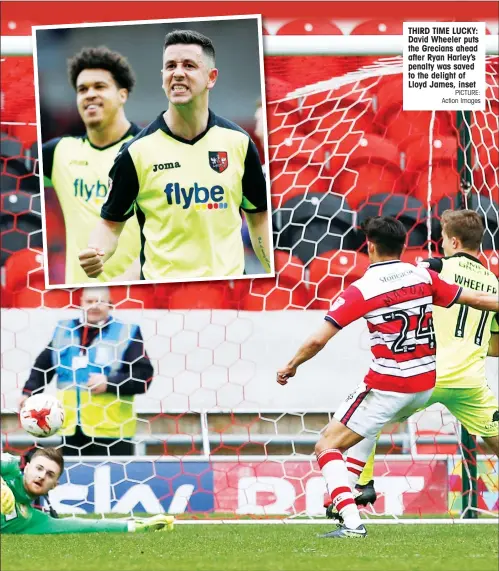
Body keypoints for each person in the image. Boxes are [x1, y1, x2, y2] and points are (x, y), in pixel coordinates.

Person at [276, 216, 499, 539]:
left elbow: (317, 340)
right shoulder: (434, 277)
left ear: (369, 246)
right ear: (404, 246)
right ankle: (353, 492)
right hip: (441, 380)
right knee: (365, 421)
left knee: (335, 439)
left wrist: (291, 365)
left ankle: (354, 509)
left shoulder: (369, 286)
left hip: (398, 379)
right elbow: (482, 314)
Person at [79, 29, 271, 282]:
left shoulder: (239, 143)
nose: (177, 72)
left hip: (230, 295)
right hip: (163, 298)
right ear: (162, 77)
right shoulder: (135, 153)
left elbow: (258, 220)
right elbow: (109, 225)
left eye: (189, 65)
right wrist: (96, 253)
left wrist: (271, 271)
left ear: (211, 77)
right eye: (170, 66)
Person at [346, 209, 499, 513]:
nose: (441, 244)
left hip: (425, 375)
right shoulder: (494, 283)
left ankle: (362, 486)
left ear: (454, 241)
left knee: (365, 417)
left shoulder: (435, 268)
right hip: (470, 382)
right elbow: (495, 347)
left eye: (442, 239)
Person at [42, 46, 141, 286]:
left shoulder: (151, 149)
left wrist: (135, 278)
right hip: (78, 301)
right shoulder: (58, 153)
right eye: (82, 89)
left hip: (138, 294)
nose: (89, 94)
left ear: (122, 95)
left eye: (100, 87)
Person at [20, 287, 153, 456]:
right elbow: (42, 367)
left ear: (110, 305)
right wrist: (28, 393)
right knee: (74, 480)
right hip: (71, 429)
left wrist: (110, 383)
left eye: (100, 301)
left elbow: (144, 377)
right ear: (80, 303)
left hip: (112, 432)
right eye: (89, 301)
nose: (94, 306)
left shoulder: (127, 332)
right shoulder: (64, 330)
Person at [1, 448, 174, 534]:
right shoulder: (8, 467)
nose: (41, 476)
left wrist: (136, 526)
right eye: (39, 468)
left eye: (50, 474)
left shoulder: (32, 520)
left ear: (54, 485)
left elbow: (84, 525)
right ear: (27, 466)